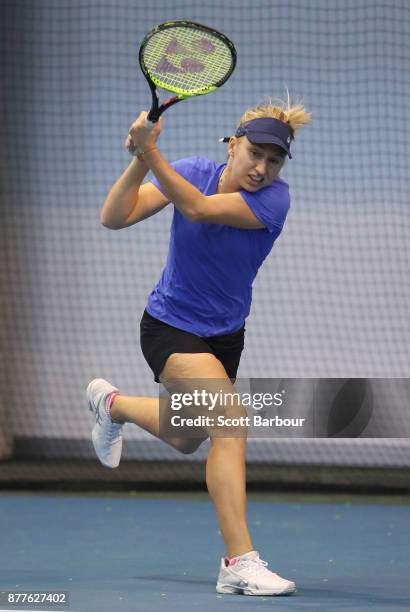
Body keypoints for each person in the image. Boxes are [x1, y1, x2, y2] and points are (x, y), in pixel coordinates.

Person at [86, 97, 310, 596]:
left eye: (274, 160)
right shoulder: (191, 170)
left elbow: (198, 208)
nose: (262, 167)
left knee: (190, 437)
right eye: (254, 153)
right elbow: (114, 216)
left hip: (226, 336)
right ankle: (238, 562)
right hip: (169, 326)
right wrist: (140, 158)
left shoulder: (275, 200)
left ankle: (112, 404)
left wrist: (152, 152)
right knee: (230, 422)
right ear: (232, 145)